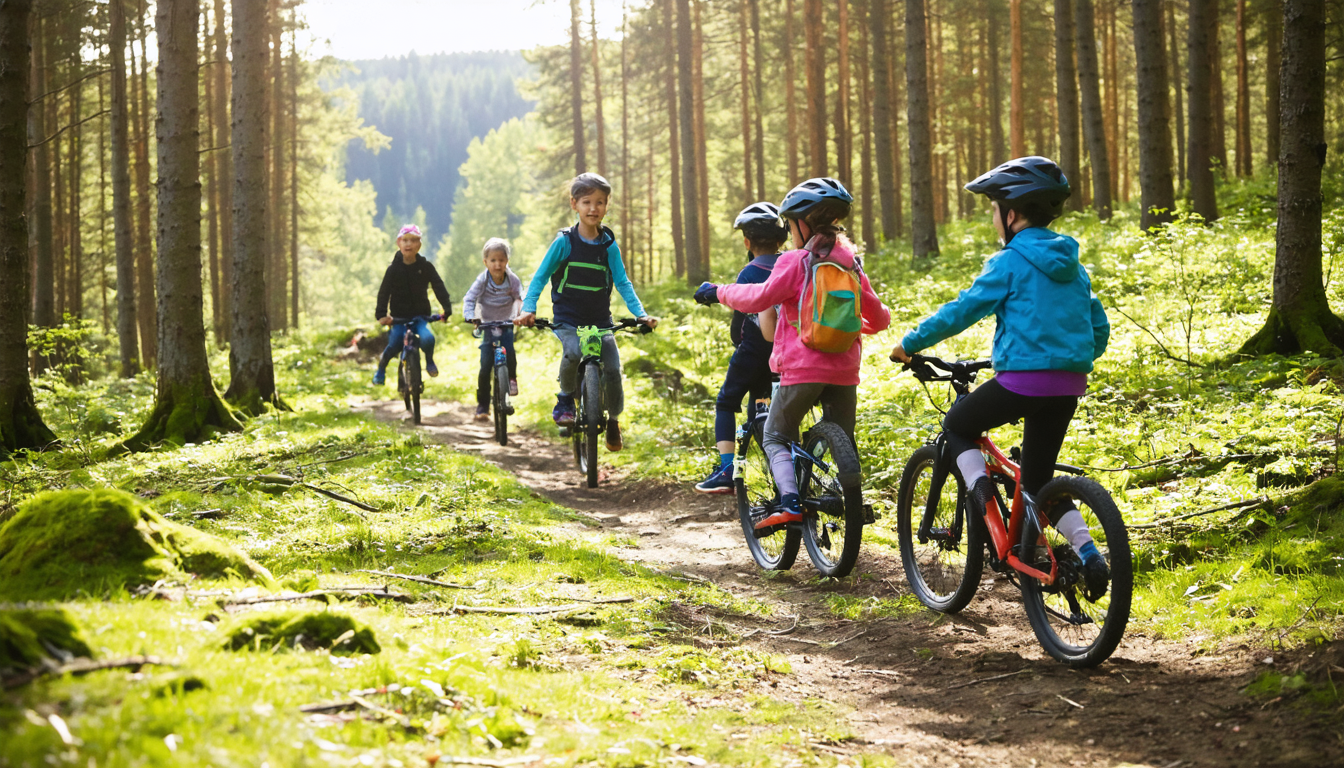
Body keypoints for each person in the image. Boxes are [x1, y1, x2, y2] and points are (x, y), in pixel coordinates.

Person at [888, 156, 1112, 600]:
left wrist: (909, 343)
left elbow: (963, 310)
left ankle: (981, 491)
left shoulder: (1009, 261)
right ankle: (1090, 553)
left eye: (995, 209)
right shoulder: (1074, 266)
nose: (994, 219)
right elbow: (1098, 329)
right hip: (1069, 385)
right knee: (1037, 482)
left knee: (956, 425)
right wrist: (1064, 357)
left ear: (1012, 213)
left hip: (1021, 383)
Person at [694, 178, 891, 528]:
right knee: (842, 440)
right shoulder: (851, 264)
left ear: (802, 224)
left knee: (775, 435)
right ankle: (851, 500)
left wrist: (718, 292)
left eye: (789, 224)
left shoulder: (794, 262)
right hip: (845, 372)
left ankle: (789, 502)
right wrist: (845, 327)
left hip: (801, 371)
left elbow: (758, 298)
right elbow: (879, 318)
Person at [514, 173, 658, 452]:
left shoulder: (608, 246)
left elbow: (623, 283)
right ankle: (566, 398)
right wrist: (528, 308)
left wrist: (641, 314)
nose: (594, 208)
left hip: (601, 321)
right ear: (574, 204)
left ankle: (614, 421)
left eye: (600, 202)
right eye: (587, 202)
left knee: (613, 369)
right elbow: (541, 277)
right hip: (568, 319)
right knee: (572, 353)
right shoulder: (564, 243)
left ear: (607, 206)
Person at [693, 202, 790, 494]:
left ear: (747, 242)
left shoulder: (750, 272)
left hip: (752, 352)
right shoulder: (791, 265)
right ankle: (781, 474)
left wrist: (738, 339)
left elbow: (739, 321)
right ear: (782, 239)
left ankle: (726, 469)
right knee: (764, 410)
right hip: (784, 352)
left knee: (726, 402)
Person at [373, 224, 452, 385]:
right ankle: (381, 369)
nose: (408, 244)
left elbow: (439, 287)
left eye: (413, 240)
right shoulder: (393, 270)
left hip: (420, 317)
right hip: (398, 318)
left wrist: (446, 309)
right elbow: (384, 292)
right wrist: (381, 315)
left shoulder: (426, 267)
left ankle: (429, 361)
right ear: (399, 243)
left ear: (419, 245)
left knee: (428, 338)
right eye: (405, 240)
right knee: (394, 344)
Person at [463, 237, 524, 422]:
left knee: (510, 350)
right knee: (485, 366)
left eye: (502, 260)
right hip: (487, 323)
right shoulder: (482, 280)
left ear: (507, 261)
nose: (498, 265)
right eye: (493, 261)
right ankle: (482, 405)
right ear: (486, 262)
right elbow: (470, 298)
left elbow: (521, 297)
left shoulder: (512, 279)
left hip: (506, 322)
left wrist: (520, 315)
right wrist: (470, 315)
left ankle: (511, 378)